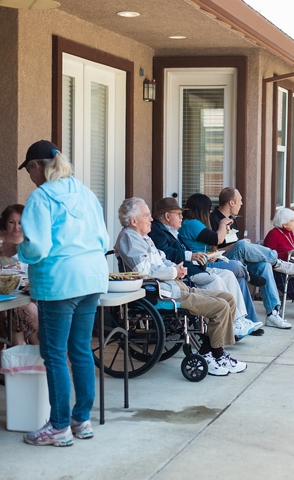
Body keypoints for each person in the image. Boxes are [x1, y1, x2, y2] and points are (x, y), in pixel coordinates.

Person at [0, 140, 110, 447]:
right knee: (81, 349)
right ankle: (81, 421)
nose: (29, 176)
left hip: (60, 283)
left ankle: (59, 426)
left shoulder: (41, 196)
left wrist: (16, 249)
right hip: (92, 278)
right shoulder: (85, 192)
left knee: (55, 354)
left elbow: (38, 248)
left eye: (28, 170)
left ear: (36, 166)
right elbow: (103, 239)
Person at [114, 197, 247, 378]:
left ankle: (214, 353)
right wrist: (172, 272)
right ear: (133, 221)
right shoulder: (129, 239)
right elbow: (144, 271)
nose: (151, 219)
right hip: (161, 293)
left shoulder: (143, 237)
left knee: (228, 298)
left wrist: (177, 269)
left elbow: (162, 259)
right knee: (220, 306)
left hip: (173, 286)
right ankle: (214, 354)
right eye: (146, 215)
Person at [148, 197, 262, 339]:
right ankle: (232, 323)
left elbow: (185, 250)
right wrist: (192, 256)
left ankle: (239, 319)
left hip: (196, 267)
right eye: (178, 214)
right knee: (215, 279)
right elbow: (168, 253)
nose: (182, 217)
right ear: (167, 216)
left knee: (228, 275)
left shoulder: (173, 231)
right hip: (184, 273)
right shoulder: (157, 231)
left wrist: (203, 257)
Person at [210, 187, 294, 329]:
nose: (242, 204)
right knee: (241, 245)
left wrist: (241, 245)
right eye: (240, 201)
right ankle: (276, 261)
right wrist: (237, 245)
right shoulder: (213, 219)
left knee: (264, 265)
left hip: (238, 261)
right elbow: (212, 252)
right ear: (231, 203)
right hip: (221, 262)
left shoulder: (232, 219)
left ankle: (272, 313)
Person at [0, 204, 39, 346]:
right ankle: (29, 349)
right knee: (28, 311)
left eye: (21, 223)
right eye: (12, 222)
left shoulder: (31, 244)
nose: (16, 227)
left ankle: (29, 348)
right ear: (5, 222)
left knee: (32, 310)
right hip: (5, 296)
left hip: (27, 294)